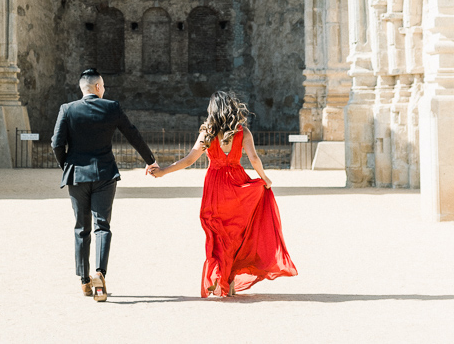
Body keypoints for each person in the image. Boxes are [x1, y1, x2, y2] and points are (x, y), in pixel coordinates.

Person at [149, 90, 297, 297]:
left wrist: (163, 171)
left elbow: (190, 159)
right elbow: (254, 158)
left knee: (216, 232)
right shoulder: (243, 132)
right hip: (237, 183)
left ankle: (217, 273)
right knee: (237, 233)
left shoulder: (207, 133)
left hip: (216, 185)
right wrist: (264, 178)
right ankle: (229, 279)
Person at [51, 68, 159, 302]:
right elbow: (133, 134)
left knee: (81, 228)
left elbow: (56, 144)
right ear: (98, 87)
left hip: (77, 175)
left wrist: (67, 166)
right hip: (104, 174)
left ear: (82, 88)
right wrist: (151, 161)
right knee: (103, 226)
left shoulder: (67, 109)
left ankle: (84, 280)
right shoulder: (111, 107)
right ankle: (100, 273)